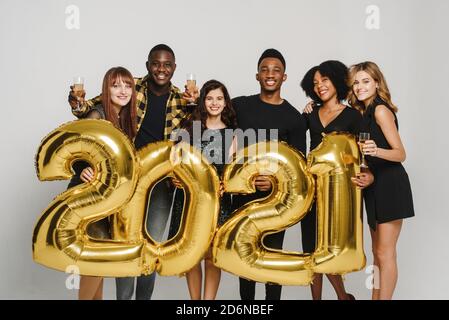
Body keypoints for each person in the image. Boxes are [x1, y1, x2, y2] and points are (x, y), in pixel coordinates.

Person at [68, 44, 194, 300]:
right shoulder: (130, 86)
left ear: (174, 68)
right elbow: (91, 112)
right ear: (148, 65)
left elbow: (208, 124)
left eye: (167, 64)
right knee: (124, 243)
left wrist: (199, 103)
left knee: (151, 245)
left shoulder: (183, 99)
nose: (161, 69)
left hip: (161, 182)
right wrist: (77, 102)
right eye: (156, 63)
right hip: (127, 179)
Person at [232, 49, 307, 300]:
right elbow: (211, 120)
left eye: (276, 70)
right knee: (245, 255)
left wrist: (274, 180)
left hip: (277, 202)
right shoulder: (240, 105)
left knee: (272, 256)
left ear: (284, 77)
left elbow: (299, 166)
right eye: (265, 69)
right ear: (257, 75)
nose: (270, 74)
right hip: (243, 196)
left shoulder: (294, 118)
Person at [300, 60, 373, 300]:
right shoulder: (310, 113)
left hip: (340, 191)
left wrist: (368, 172)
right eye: (315, 83)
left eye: (325, 80)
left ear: (336, 81)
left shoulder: (353, 116)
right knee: (311, 248)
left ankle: (342, 295)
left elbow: (364, 151)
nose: (320, 86)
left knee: (329, 248)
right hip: (313, 187)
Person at [67, 66, 138, 300]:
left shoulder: (126, 119)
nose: (123, 90)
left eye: (127, 85)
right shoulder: (98, 114)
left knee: (97, 261)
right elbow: (75, 147)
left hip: (108, 198)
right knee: (96, 261)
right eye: (116, 85)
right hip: (88, 195)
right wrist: (82, 168)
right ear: (106, 89)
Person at [348, 61, 414, 300]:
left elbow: (400, 153)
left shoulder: (379, 110)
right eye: (356, 82)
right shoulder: (362, 113)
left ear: (377, 83)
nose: (360, 87)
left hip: (391, 185)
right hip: (374, 186)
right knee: (377, 253)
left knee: (386, 254)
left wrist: (376, 151)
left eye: (366, 81)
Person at [168, 79, 238, 299]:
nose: (214, 103)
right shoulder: (190, 129)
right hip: (189, 201)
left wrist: (226, 185)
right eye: (209, 98)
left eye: (219, 98)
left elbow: (233, 171)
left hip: (217, 202)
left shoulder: (234, 134)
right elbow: (175, 162)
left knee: (212, 255)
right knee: (191, 254)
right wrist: (175, 177)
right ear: (202, 101)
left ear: (226, 103)